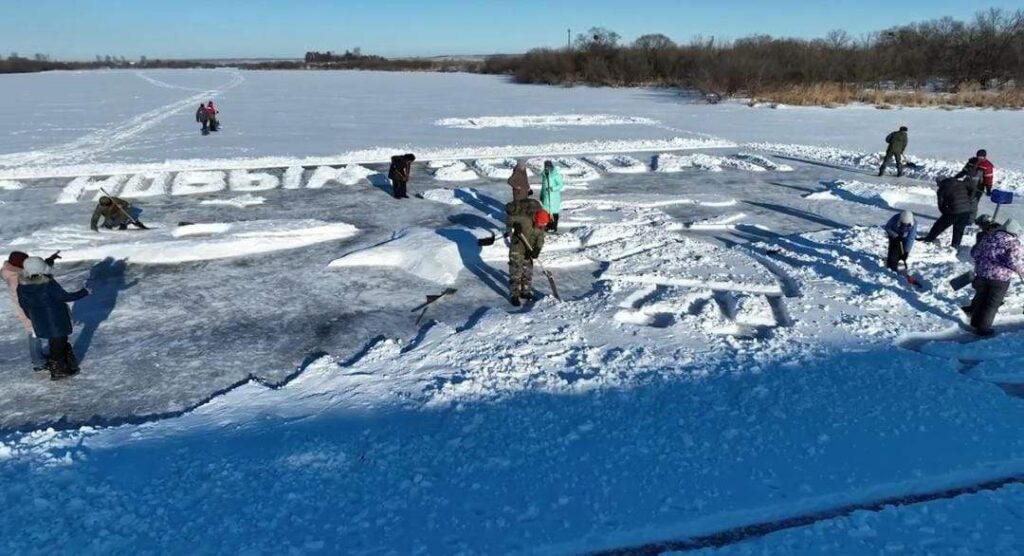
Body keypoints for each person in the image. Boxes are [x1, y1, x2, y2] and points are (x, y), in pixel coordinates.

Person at [17, 257, 90, 380]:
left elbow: (23, 304)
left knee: (55, 341)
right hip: (55, 319)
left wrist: (32, 317)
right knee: (58, 341)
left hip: (39, 319)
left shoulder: (22, 286)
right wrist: (84, 292)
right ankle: (58, 369)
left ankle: (64, 362)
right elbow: (64, 296)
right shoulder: (48, 284)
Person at [964, 219, 1024, 336]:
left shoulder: (988, 238)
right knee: (991, 304)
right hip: (999, 279)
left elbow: (974, 253)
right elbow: (1013, 262)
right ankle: (983, 329)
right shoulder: (1013, 243)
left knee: (981, 300)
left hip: (981, 274)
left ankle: (975, 323)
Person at [504, 195, 548, 306]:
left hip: (529, 249)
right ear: (535, 219)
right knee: (516, 273)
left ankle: (525, 292)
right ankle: (514, 295)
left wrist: (536, 250)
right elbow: (509, 219)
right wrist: (513, 228)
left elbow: (540, 238)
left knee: (528, 272)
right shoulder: (524, 219)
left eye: (542, 226)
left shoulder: (541, 225)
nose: (540, 227)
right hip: (517, 247)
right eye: (539, 225)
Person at [922, 176, 974, 248]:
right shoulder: (960, 183)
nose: (938, 185)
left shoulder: (942, 189)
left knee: (939, 226)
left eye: (938, 183)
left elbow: (941, 204)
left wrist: (945, 212)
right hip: (966, 210)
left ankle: (929, 239)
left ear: (940, 182)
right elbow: (971, 188)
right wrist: (968, 198)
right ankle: (955, 246)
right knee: (959, 230)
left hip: (954, 211)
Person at [539, 160, 565, 233]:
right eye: (545, 167)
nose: (546, 168)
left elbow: (560, 185)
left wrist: (553, 188)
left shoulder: (555, 175)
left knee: (554, 212)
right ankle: (549, 225)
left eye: (548, 167)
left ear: (551, 166)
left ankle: (554, 227)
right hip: (546, 197)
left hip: (553, 197)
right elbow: (543, 187)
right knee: (547, 212)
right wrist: (541, 195)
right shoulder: (544, 175)